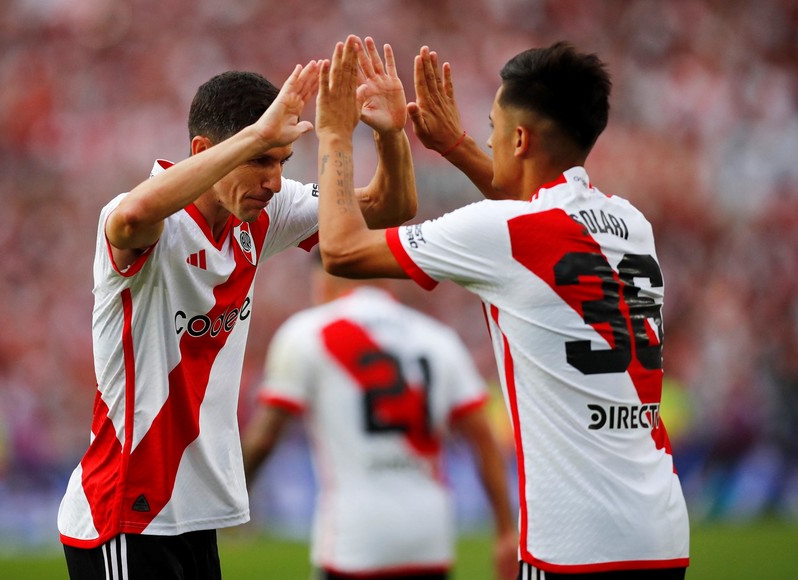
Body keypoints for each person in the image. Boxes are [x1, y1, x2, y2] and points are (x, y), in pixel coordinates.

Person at [314, 36, 690, 579]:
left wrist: (334, 134)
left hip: (572, 546)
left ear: (518, 138)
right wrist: (453, 144)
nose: (486, 140)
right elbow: (533, 222)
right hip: (661, 532)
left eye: (491, 129)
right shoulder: (633, 224)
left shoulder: (504, 232)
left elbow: (342, 250)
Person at [58, 35, 417, 580]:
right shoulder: (153, 216)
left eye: (281, 161)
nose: (274, 181)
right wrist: (257, 134)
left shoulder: (262, 215)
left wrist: (391, 137)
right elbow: (129, 219)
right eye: (259, 161)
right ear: (205, 152)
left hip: (196, 514)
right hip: (127, 510)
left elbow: (387, 209)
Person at [241, 257, 519, 580]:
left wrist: (235, 497)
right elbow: (483, 439)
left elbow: (265, 436)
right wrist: (504, 528)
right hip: (428, 538)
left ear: (323, 280)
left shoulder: (308, 334)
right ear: (386, 278)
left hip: (355, 538)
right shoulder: (437, 338)